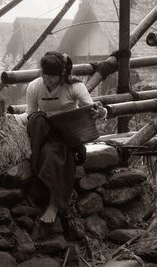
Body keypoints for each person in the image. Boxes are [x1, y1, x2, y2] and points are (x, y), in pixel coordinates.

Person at [17, 51, 107, 225]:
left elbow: (92, 109)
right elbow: (30, 114)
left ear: (62, 74)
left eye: (52, 76)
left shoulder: (74, 86)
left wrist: (100, 111)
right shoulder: (35, 87)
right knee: (39, 124)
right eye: (44, 74)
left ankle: (54, 204)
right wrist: (10, 120)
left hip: (68, 135)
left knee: (52, 156)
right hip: (43, 134)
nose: (47, 79)